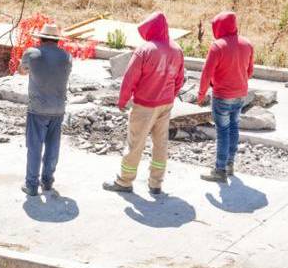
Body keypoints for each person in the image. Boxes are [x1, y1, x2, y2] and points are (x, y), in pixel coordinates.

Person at [104, 12, 185, 195]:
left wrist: (123, 99)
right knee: (160, 144)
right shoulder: (177, 49)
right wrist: (171, 95)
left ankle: (125, 181)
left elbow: (130, 78)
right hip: (166, 104)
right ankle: (156, 183)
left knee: (135, 143)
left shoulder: (145, 50)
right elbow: (179, 78)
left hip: (145, 104)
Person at [196, 11, 254, 183]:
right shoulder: (247, 44)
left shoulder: (217, 46)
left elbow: (207, 73)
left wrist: (201, 94)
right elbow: (249, 71)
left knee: (222, 131)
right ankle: (230, 165)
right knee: (234, 127)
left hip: (222, 95)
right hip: (240, 95)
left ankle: (219, 170)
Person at [17, 23, 73, 196]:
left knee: (34, 146)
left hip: (37, 108)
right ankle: (47, 182)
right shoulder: (67, 56)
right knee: (52, 146)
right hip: (58, 108)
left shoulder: (31, 53)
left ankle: (31, 185)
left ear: (40, 38)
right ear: (57, 40)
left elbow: (21, 71)